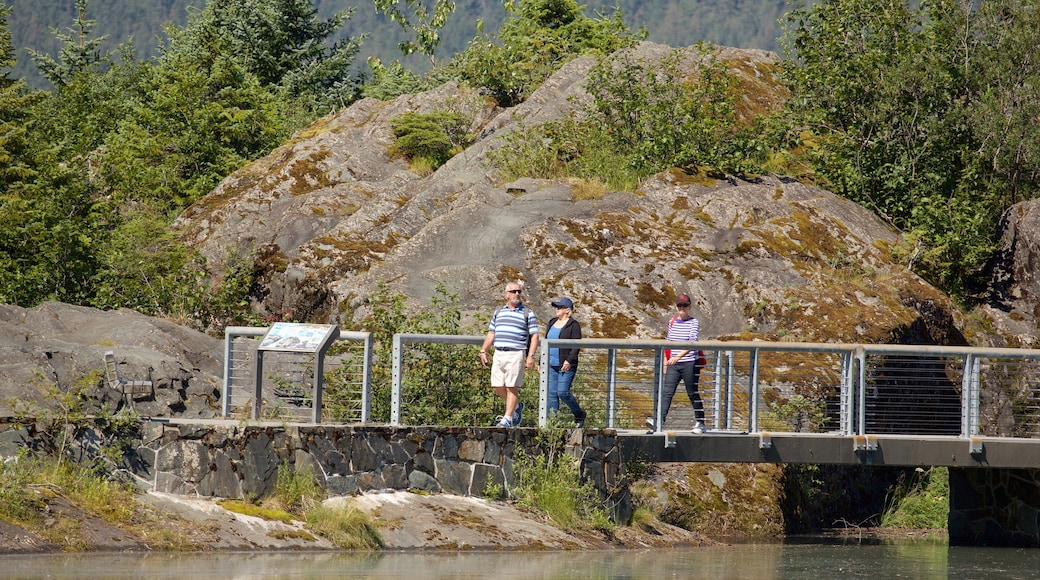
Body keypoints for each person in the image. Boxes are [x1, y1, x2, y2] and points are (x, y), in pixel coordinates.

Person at [479, 281, 539, 427]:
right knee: (497, 385)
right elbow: (491, 333)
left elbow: (535, 336)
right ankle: (516, 407)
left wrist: (530, 356)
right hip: (499, 352)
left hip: (516, 353)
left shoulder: (527, 313)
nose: (517, 294)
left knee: (512, 386)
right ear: (506, 294)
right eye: (514, 291)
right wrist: (483, 350)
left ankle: (507, 418)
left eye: (519, 291)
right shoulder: (499, 312)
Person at [648, 293, 707, 433]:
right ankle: (659, 421)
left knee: (692, 392)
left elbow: (692, 343)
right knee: (667, 392)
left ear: (689, 306)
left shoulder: (694, 322)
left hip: (689, 363)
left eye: (685, 305)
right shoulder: (672, 321)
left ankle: (701, 423)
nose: (682, 308)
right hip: (673, 363)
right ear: (676, 306)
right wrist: (665, 363)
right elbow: (668, 343)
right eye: (680, 305)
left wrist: (678, 357)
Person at [545, 297, 587, 428]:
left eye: (560, 307)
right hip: (551, 364)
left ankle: (579, 414)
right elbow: (546, 342)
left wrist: (569, 360)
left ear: (567, 310)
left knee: (562, 392)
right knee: (551, 395)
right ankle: (552, 424)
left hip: (566, 365)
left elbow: (576, 345)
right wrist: (542, 361)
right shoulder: (552, 322)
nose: (557, 309)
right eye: (556, 307)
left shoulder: (573, 325)